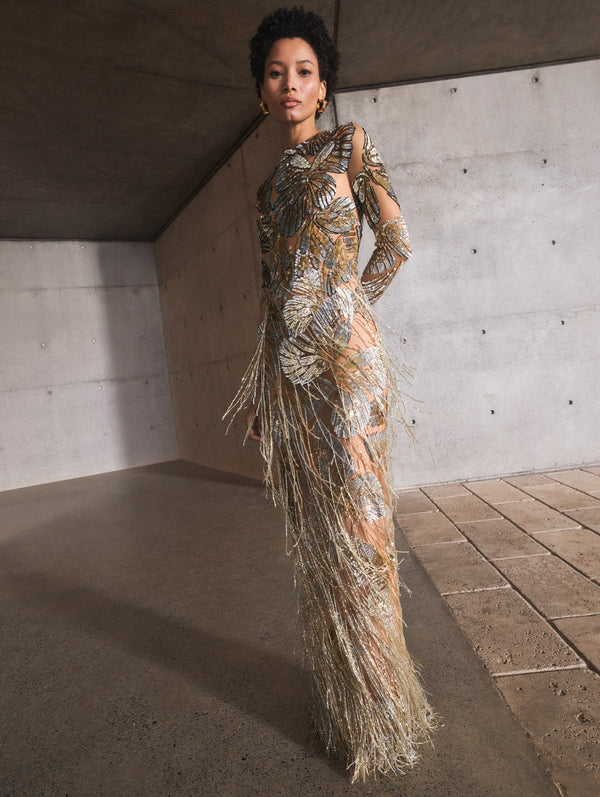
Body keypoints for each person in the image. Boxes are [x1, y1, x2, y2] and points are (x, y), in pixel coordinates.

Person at [224, 5, 435, 782]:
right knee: (320, 544)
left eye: (303, 72)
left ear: (323, 87)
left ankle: (387, 715)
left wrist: (347, 316)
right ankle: (351, 706)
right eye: (275, 73)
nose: (289, 84)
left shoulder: (351, 147)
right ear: (260, 91)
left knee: (362, 535)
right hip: (294, 380)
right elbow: (270, 295)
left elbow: (396, 242)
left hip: (346, 369)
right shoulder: (266, 192)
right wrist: (263, 390)